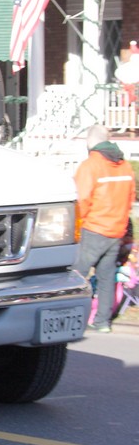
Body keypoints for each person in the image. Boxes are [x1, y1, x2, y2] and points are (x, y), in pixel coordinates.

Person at [72, 124, 135, 333]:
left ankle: (74, 319)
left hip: (94, 228)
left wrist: (77, 230)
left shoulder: (90, 166)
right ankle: (102, 322)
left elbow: (82, 201)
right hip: (116, 229)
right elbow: (130, 198)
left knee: (77, 276)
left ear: (90, 143)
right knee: (107, 277)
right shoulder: (125, 165)